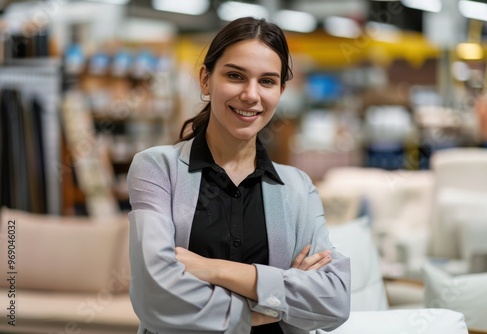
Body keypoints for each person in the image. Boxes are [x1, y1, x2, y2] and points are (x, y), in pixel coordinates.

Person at [127, 16, 351, 334]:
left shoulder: (297, 187)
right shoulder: (157, 169)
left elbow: (333, 300)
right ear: (206, 79)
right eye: (235, 75)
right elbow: (156, 296)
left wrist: (213, 269)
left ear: (281, 90)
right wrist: (269, 306)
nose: (250, 94)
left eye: (267, 81)